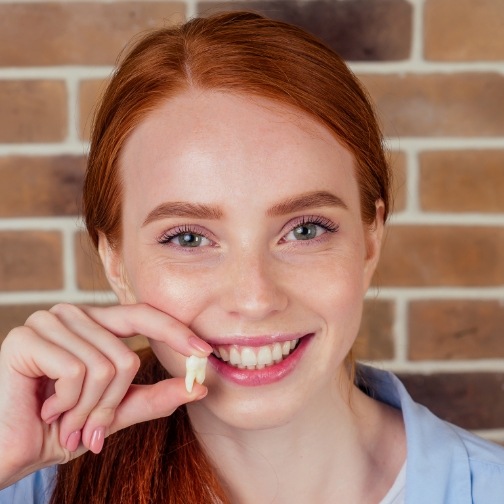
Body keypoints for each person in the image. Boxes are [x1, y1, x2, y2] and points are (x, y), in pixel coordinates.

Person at [0, 11, 503, 504]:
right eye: (189, 238)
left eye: (304, 229)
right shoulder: (24, 481)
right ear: (115, 261)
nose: (255, 298)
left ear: (371, 239)